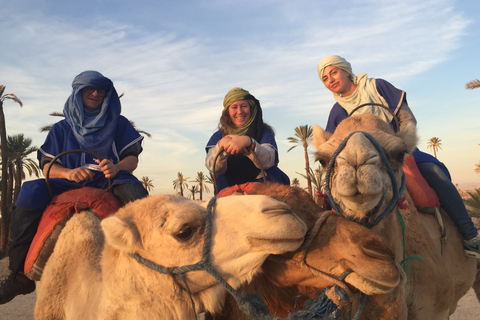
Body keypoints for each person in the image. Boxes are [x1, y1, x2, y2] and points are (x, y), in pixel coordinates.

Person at [0, 70, 149, 304]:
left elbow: (132, 158)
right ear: (78, 92)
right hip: (66, 181)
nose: (95, 93)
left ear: (106, 96)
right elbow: (47, 165)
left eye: (101, 90)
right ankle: (19, 273)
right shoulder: (62, 127)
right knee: (29, 192)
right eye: (90, 88)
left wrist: (117, 167)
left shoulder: (118, 124)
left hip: (109, 178)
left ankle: (151, 261)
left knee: (136, 195)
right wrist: (68, 172)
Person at [316, 55, 480, 259]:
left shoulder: (377, 87)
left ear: (346, 71)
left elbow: (406, 117)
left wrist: (398, 143)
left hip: (394, 151)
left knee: (433, 172)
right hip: (362, 163)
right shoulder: (337, 111)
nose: (330, 79)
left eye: (333, 72)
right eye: (324, 78)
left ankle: (469, 234)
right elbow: (334, 146)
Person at [205, 87, 290, 193]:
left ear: (251, 108)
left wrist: (250, 142)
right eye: (234, 107)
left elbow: (269, 160)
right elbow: (213, 167)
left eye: (244, 106)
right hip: (229, 191)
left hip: (264, 189)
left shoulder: (264, 132)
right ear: (228, 111)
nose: (239, 112)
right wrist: (222, 147)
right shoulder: (219, 136)